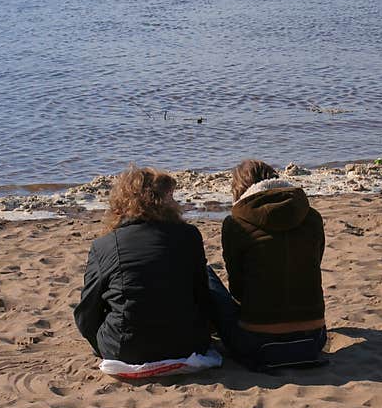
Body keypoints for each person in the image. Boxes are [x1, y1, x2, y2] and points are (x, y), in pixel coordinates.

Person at [74, 166, 212, 364]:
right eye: (170, 196)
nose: (176, 202)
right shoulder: (189, 235)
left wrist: (101, 345)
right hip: (188, 344)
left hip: (125, 348)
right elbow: (201, 295)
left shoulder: (104, 245)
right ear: (158, 201)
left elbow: (87, 313)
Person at [207, 159, 327, 371]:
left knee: (204, 273)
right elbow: (315, 261)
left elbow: (238, 287)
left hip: (257, 342)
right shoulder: (312, 217)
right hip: (314, 338)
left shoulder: (235, 223)